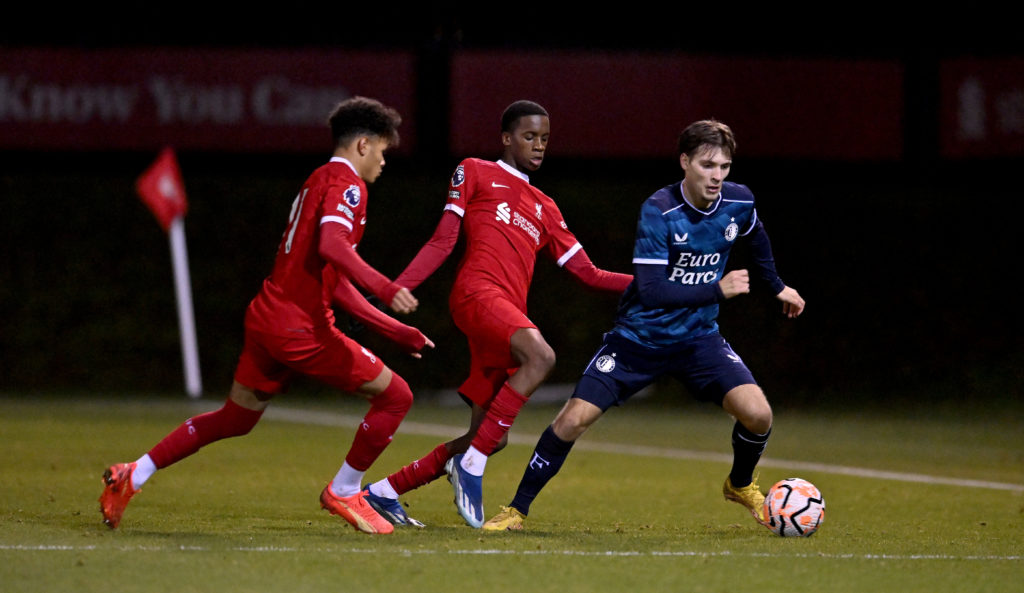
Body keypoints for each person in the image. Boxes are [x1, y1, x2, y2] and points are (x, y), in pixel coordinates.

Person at [98, 96, 434, 535]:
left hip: (268, 317)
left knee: (236, 418)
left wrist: (396, 329)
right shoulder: (348, 185)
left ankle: (132, 474)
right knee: (396, 396)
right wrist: (389, 291)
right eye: (384, 152)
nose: (385, 162)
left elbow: (333, 279)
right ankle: (346, 490)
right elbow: (333, 246)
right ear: (364, 145)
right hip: (300, 329)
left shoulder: (318, 180)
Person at [481, 119, 806, 531]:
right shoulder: (659, 211)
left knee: (759, 415)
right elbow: (651, 291)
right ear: (685, 162)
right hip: (637, 340)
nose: (718, 176)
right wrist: (717, 291)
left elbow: (755, 235)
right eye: (708, 165)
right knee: (571, 420)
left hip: (698, 340)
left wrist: (776, 286)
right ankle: (516, 510)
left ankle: (739, 484)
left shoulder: (738, 202)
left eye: (724, 166)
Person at [359, 100, 632, 528]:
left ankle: (384, 492)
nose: (538, 146)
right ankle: (471, 465)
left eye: (544, 139)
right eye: (528, 136)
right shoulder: (474, 170)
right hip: (477, 295)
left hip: (503, 317)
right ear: (506, 138)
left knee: (491, 436)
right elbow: (442, 241)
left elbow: (590, 274)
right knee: (540, 357)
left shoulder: (546, 207)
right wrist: (394, 289)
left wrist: (655, 285)